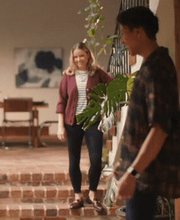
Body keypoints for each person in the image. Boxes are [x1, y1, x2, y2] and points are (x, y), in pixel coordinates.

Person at [114, 6, 180, 220]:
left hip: (145, 178)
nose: (122, 41)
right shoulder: (150, 65)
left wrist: (133, 173)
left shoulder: (156, 69)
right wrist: (125, 164)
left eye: (124, 33)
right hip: (140, 176)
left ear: (138, 32)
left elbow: (159, 130)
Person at [56, 42, 113, 211]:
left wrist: (105, 106)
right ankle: (78, 196)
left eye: (81, 55)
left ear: (88, 55)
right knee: (74, 161)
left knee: (96, 159)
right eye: (75, 56)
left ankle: (93, 194)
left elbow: (114, 86)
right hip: (72, 123)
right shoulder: (68, 76)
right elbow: (61, 102)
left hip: (93, 121)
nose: (79, 59)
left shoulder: (97, 73)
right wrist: (60, 126)